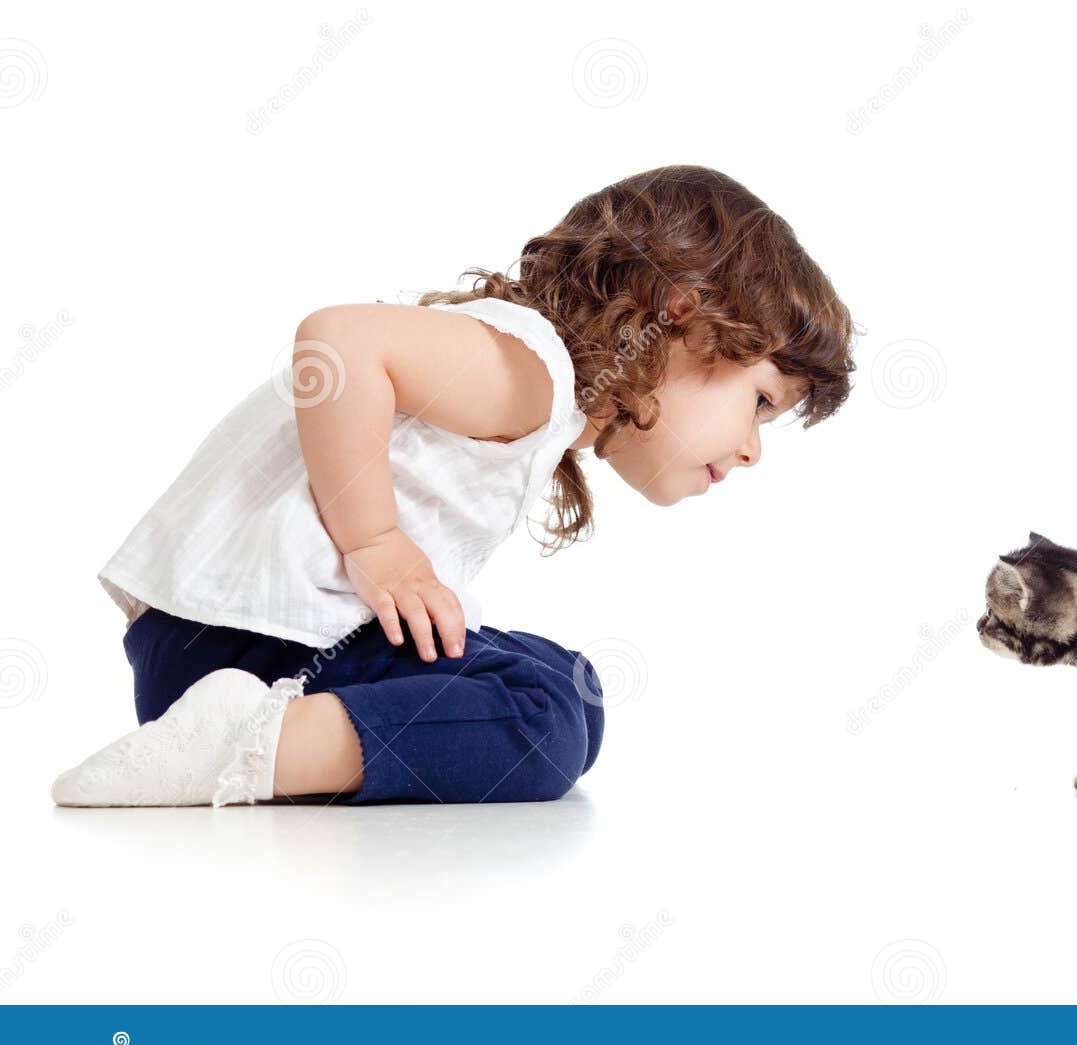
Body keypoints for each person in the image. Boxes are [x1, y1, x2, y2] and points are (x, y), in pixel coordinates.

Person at [51, 165, 856, 808]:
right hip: (248, 643)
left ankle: (263, 738)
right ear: (680, 317)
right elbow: (337, 341)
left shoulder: (535, 382)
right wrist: (377, 546)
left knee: (565, 681)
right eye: (758, 402)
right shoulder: (530, 369)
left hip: (230, 642)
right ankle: (245, 745)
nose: (751, 450)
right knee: (543, 718)